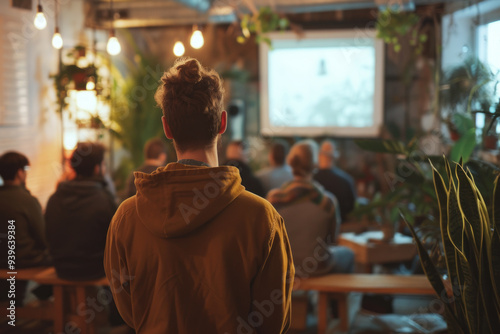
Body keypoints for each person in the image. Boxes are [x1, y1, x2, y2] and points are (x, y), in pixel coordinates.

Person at [104, 57, 294, 334]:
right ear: (222, 123)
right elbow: (274, 320)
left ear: (167, 127)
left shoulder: (126, 217)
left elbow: (128, 309)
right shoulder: (261, 217)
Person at [268, 140, 354, 277]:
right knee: (348, 254)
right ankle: (335, 297)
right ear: (315, 164)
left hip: (282, 266)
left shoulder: (273, 199)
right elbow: (332, 240)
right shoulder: (327, 202)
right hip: (317, 268)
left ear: (290, 163)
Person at [45, 142, 116, 281]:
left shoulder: (54, 197)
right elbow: (116, 240)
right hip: (94, 269)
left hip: (61, 268)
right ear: (97, 168)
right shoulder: (104, 199)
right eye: (104, 165)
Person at [0, 151, 52, 305]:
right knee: (62, 258)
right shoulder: (28, 200)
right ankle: (45, 299)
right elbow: (43, 237)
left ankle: (11, 300)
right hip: (22, 260)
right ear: (19, 173)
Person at [314, 140, 357, 221]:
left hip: (316, 227)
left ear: (319, 155)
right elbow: (352, 208)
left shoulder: (311, 180)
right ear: (335, 156)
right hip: (341, 226)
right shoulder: (346, 180)